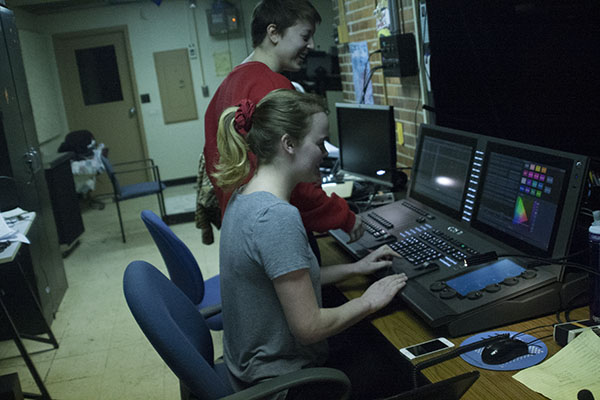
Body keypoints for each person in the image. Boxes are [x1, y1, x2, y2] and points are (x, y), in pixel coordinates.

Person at [215, 89, 409, 399]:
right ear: (288, 144)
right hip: (282, 384)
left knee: (368, 337)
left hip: (250, 370)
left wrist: (355, 268)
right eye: (319, 143)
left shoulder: (245, 197)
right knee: (405, 366)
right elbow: (309, 328)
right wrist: (369, 300)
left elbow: (285, 280)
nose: (325, 153)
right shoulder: (277, 218)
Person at [200, 0, 364, 253]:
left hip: (243, 226)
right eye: (305, 36)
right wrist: (344, 216)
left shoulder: (229, 83)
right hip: (277, 228)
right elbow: (292, 176)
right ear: (273, 33)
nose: (311, 45)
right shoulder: (273, 87)